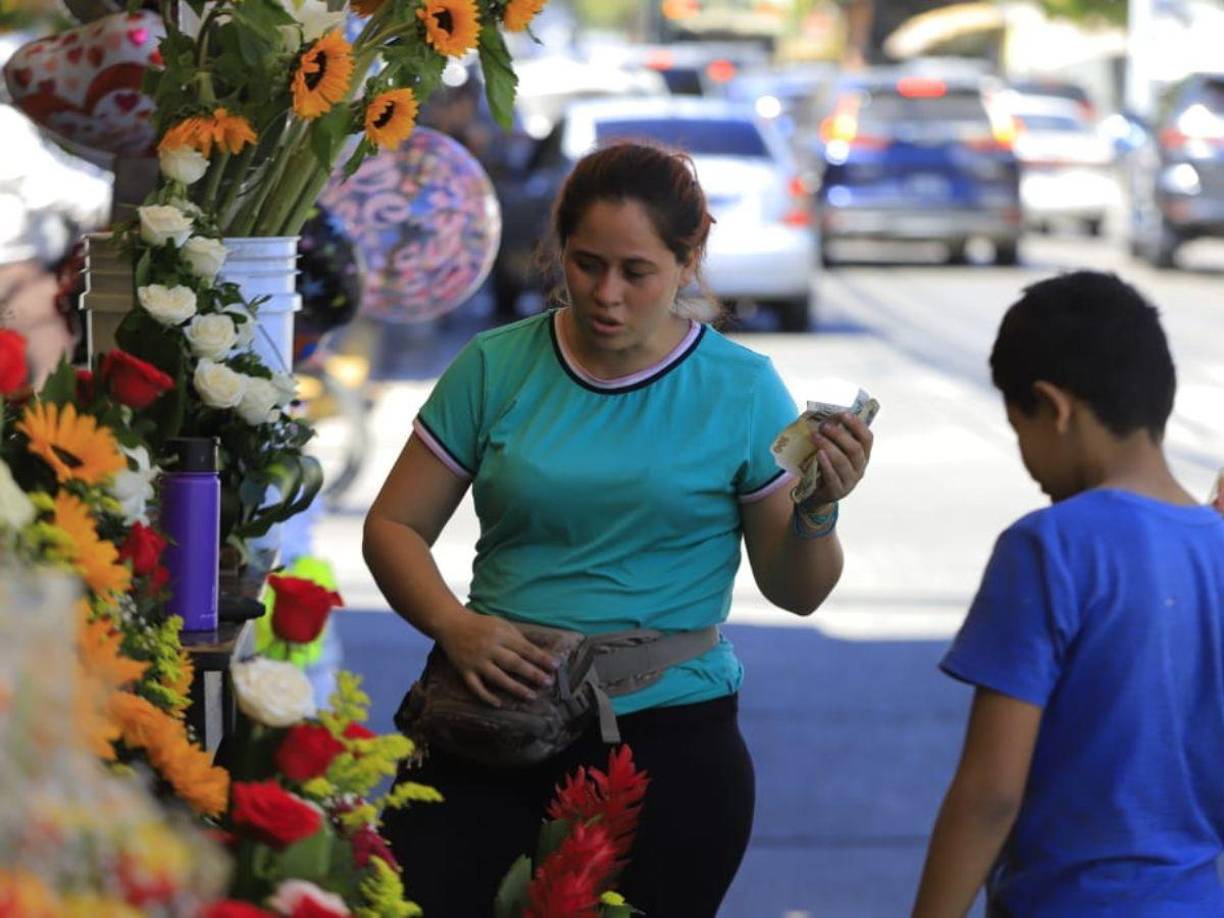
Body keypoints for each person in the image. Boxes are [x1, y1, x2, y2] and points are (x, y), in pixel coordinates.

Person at [363, 140, 874, 916]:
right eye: (585, 263)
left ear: (688, 258)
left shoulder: (741, 388)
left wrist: (817, 508)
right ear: (557, 250)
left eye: (636, 272)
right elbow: (394, 524)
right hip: (488, 717)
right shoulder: (495, 366)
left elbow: (797, 591)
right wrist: (455, 627)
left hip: (670, 738)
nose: (606, 294)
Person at [912, 271, 1224, 916]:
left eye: (1018, 428)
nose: (1028, 462)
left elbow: (990, 793)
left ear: (1054, 408)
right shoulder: (1215, 547)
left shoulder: (1048, 547)